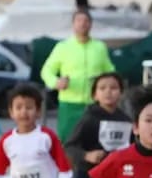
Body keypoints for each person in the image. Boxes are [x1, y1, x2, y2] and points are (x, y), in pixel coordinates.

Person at [39, 9, 115, 144]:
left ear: (91, 24)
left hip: (95, 103)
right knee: (68, 140)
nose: (82, 24)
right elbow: (47, 71)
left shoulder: (99, 47)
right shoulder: (63, 47)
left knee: (95, 140)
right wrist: (56, 82)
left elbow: (110, 71)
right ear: (73, 24)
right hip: (69, 104)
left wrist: (108, 88)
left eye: (86, 21)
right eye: (79, 21)